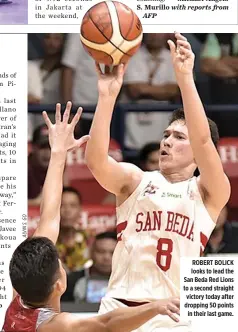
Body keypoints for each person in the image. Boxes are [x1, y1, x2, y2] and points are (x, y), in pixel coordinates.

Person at [85, 32, 231, 331]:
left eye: (178, 137)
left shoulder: (208, 192)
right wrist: (107, 96)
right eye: (165, 135)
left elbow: (203, 140)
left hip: (172, 315)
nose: (166, 141)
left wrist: (185, 79)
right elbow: (96, 162)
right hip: (120, 307)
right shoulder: (136, 180)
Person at [2, 102, 180, 332]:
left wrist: (58, 152)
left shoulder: (19, 297)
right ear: (60, 284)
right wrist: (156, 307)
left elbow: (49, 216)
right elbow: (106, 324)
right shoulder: (54, 325)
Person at [62, 232, 117, 303]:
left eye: (112, 253)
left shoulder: (129, 281)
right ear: (91, 253)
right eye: (100, 251)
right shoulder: (71, 280)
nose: (106, 257)